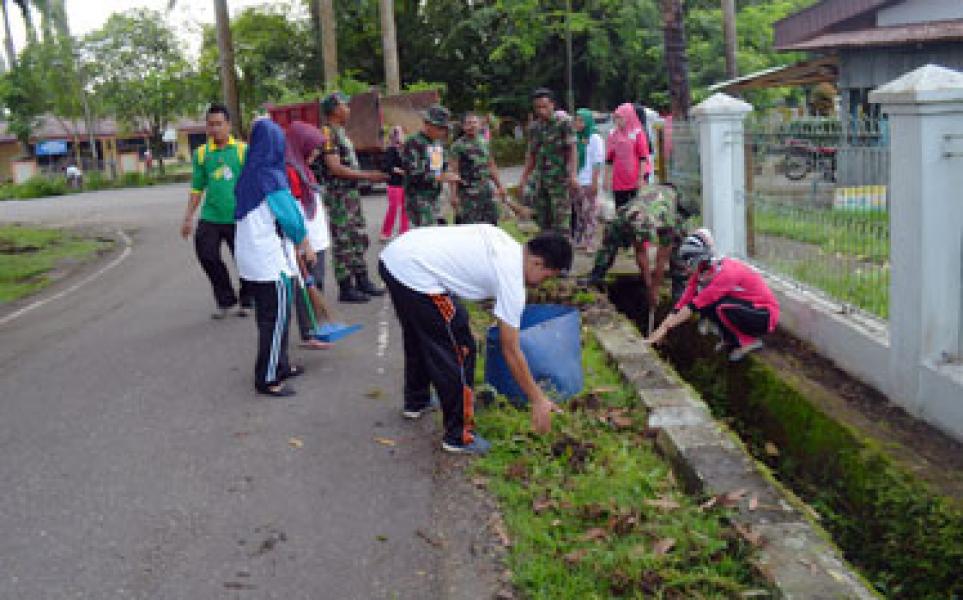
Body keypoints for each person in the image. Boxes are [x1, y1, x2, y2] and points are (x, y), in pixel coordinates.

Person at [379, 226, 573, 454]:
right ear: (537, 263)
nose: (543, 283)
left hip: (393, 260)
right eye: (547, 277)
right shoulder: (511, 277)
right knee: (461, 349)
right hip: (415, 273)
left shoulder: (506, 244)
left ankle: (417, 400)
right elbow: (510, 349)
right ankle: (458, 436)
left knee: (422, 334)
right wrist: (538, 399)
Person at [234, 118, 315, 396]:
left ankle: (280, 364)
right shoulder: (271, 175)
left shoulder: (249, 174)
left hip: (252, 259)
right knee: (275, 318)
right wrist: (305, 244)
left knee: (272, 316)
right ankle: (268, 378)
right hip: (269, 262)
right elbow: (291, 218)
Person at [646, 230, 779, 362]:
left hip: (764, 315)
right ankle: (730, 339)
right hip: (747, 308)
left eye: (689, 261)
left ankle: (749, 342)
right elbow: (683, 302)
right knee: (712, 306)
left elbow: (695, 305)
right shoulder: (702, 271)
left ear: (699, 258)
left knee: (719, 307)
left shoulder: (726, 273)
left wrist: (665, 329)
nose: (686, 266)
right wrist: (661, 328)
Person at [315, 92, 389, 304]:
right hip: (339, 194)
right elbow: (335, 168)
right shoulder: (328, 133)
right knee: (343, 241)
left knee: (357, 238)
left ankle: (362, 280)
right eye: (344, 105)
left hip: (350, 194)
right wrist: (369, 176)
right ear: (334, 110)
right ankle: (346, 287)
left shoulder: (340, 132)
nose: (348, 108)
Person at [181, 103, 252, 319]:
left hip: (239, 216)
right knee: (207, 255)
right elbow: (197, 187)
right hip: (211, 216)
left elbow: (253, 183)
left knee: (244, 260)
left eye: (219, 124)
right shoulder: (202, 154)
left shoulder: (242, 150)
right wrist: (188, 217)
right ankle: (226, 300)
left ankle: (248, 300)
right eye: (211, 125)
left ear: (228, 125)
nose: (215, 129)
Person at [584, 184, 682, 307]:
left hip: (665, 199)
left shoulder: (667, 222)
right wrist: (648, 284)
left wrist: (655, 288)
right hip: (639, 207)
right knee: (611, 236)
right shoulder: (628, 214)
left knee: (677, 245)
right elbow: (640, 253)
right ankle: (596, 275)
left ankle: (679, 288)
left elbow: (661, 260)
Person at [283, 120, 334, 350]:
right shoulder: (290, 171)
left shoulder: (303, 167)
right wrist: (301, 243)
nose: (315, 153)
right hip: (306, 240)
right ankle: (309, 331)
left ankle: (318, 325)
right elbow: (292, 210)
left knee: (317, 281)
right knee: (305, 285)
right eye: (312, 147)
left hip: (316, 237)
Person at [518, 88, 578, 234]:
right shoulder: (535, 127)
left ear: (552, 105)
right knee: (543, 223)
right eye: (537, 107)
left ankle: (564, 254)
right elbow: (531, 154)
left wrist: (573, 175)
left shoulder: (564, 122)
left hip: (560, 181)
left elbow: (572, 149)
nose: (541, 110)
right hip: (541, 181)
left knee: (562, 223)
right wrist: (524, 178)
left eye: (544, 106)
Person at [401, 104, 460, 227]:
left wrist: (449, 174)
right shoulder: (414, 142)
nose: (443, 132)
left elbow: (439, 168)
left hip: (436, 198)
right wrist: (440, 177)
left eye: (444, 128)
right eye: (440, 128)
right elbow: (413, 174)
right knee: (427, 237)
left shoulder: (437, 143)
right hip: (419, 199)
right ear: (427, 124)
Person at [449, 112, 507, 226]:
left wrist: (500, 186)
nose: (472, 126)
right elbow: (454, 172)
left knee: (491, 224)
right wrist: (454, 195)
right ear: (463, 126)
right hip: (467, 193)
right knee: (469, 226)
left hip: (486, 191)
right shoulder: (457, 146)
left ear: (480, 125)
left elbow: (491, 165)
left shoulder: (484, 142)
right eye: (468, 123)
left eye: (474, 122)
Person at [606, 102, 650, 210]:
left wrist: (641, 178)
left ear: (628, 117)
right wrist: (607, 178)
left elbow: (643, 158)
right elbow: (609, 159)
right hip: (618, 181)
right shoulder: (613, 134)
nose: (617, 121)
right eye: (615, 118)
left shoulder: (638, 133)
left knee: (635, 211)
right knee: (620, 210)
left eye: (620, 118)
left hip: (634, 180)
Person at [573, 109, 604, 250]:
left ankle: (590, 242)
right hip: (577, 180)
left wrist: (595, 181)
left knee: (590, 212)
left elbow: (597, 161)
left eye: (581, 120)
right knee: (580, 213)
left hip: (589, 180)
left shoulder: (594, 138)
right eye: (576, 120)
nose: (577, 123)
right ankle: (582, 240)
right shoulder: (576, 137)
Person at [379, 125, 409, 242]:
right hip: (394, 184)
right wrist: (402, 172)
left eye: (402, 132)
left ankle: (404, 232)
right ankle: (385, 233)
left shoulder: (405, 149)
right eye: (398, 133)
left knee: (405, 209)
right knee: (393, 208)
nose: (401, 135)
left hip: (404, 183)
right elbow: (387, 167)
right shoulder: (391, 149)